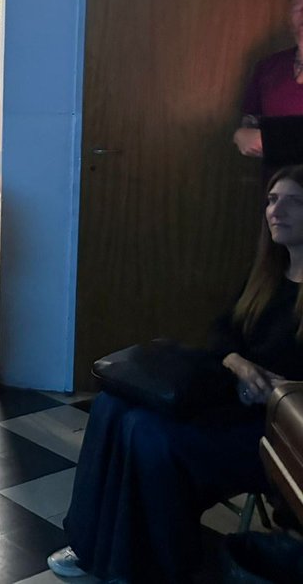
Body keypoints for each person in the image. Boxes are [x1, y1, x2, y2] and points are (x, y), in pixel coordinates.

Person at [47, 164, 303, 583]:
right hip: (231, 402)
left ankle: (154, 567)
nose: (278, 210)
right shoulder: (268, 276)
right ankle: (90, 544)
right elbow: (223, 332)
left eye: (294, 201)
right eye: (273, 200)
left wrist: (279, 389)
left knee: (147, 433)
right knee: (112, 406)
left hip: (276, 435)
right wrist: (236, 362)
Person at [234, 0, 303, 162]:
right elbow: (250, 122)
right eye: (299, 9)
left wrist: (271, 140)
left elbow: (265, 139)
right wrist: (242, 134)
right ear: (289, 16)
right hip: (276, 180)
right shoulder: (268, 68)